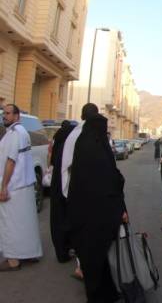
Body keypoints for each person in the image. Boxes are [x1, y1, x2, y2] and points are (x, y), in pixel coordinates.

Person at [67, 112, 127, 302]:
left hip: (82, 213)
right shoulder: (98, 148)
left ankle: (105, 293)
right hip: (99, 214)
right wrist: (120, 208)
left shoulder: (83, 144)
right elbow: (111, 180)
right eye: (104, 128)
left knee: (94, 258)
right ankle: (99, 296)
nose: (105, 132)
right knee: (97, 258)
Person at [0, 104, 43, 271]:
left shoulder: (15, 134)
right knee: (26, 222)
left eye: (9, 113)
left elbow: (11, 161)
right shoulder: (21, 132)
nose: (5, 116)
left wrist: (4, 187)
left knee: (9, 223)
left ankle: (13, 261)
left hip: (14, 186)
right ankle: (30, 253)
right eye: (4, 113)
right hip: (23, 184)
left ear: (17, 116)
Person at [62, 103, 99, 279]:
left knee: (86, 229)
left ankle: (85, 265)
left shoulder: (76, 134)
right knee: (86, 230)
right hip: (84, 191)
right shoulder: (83, 135)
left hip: (82, 191)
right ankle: (82, 267)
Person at [49, 120, 76, 263]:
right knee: (67, 217)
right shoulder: (69, 144)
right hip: (65, 186)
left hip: (56, 184)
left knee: (57, 218)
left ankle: (61, 250)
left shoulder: (57, 140)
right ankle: (67, 248)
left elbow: (52, 161)